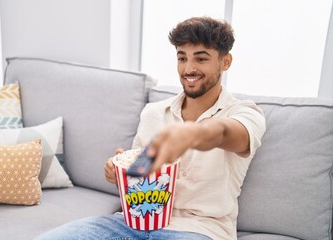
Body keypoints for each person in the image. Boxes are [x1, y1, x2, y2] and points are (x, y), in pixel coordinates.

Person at [35, 16, 266, 240]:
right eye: (182, 58)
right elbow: (141, 172)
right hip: (132, 222)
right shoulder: (154, 112)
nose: (188, 69)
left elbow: (225, 133)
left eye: (201, 59)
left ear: (225, 62)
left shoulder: (245, 113)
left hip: (199, 230)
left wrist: (191, 134)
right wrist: (121, 172)